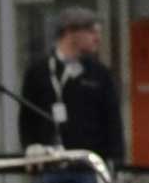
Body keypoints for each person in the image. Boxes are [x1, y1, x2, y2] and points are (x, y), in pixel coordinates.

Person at [38, 14, 127, 167]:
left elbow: (113, 120)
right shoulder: (39, 71)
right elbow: (27, 119)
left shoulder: (99, 73)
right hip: (49, 163)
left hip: (89, 164)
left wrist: (116, 159)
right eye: (92, 32)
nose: (98, 39)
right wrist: (31, 146)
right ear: (70, 32)